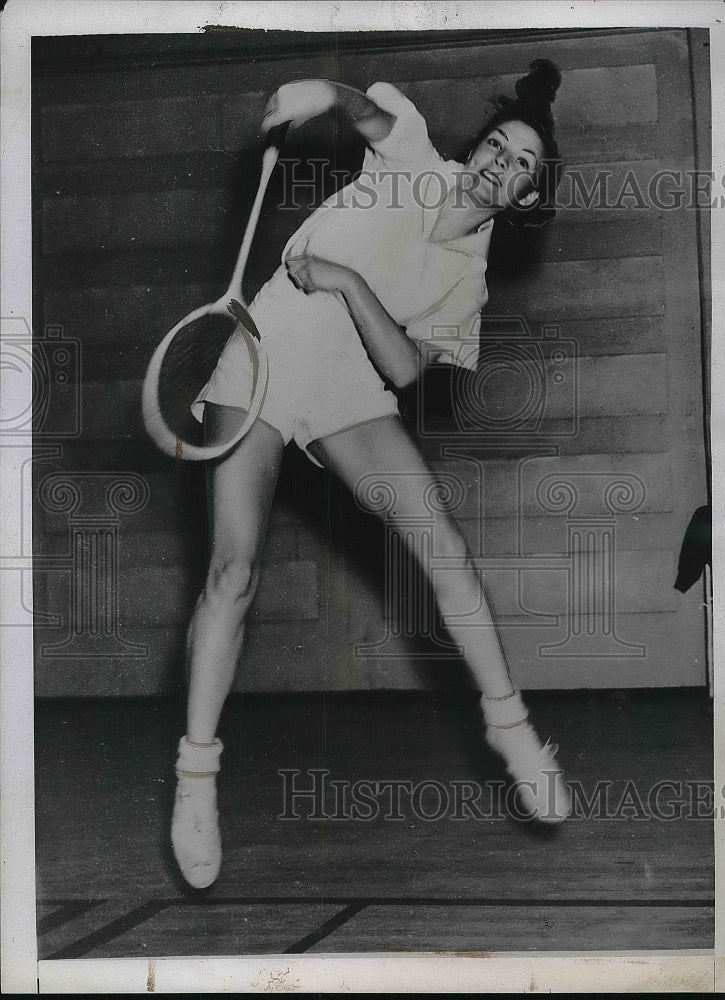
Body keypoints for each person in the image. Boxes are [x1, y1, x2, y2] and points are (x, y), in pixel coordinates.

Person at [172, 59, 570, 889]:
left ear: (526, 195)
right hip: (263, 351)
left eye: (520, 162)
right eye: (496, 143)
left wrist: (349, 281)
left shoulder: (468, 282)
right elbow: (367, 113)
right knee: (232, 573)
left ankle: (511, 730)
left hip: (347, 380)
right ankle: (196, 779)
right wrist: (323, 97)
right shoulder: (418, 160)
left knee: (445, 552)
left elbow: (399, 368)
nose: (499, 160)